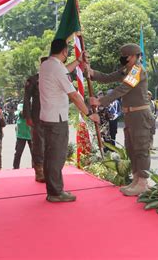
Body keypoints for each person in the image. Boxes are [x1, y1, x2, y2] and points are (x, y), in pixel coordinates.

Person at [88, 43, 154, 196]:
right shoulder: (127, 69)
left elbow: (123, 88)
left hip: (140, 115)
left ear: (132, 57)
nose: (123, 59)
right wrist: (91, 72)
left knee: (141, 148)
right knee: (131, 148)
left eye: (125, 56)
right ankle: (137, 180)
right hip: (130, 115)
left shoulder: (137, 70)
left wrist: (101, 101)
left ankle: (143, 182)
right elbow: (108, 78)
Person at [40, 39, 99, 203]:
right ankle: (55, 192)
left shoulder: (47, 65)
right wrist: (88, 114)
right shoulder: (56, 68)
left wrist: (78, 61)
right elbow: (73, 95)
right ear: (65, 52)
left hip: (48, 117)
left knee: (51, 155)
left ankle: (53, 189)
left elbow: (64, 70)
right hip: (56, 119)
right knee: (56, 156)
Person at [23, 57, 47, 182]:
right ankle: (39, 171)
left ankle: (50, 170)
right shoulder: (33, 79)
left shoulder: (54, 78)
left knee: (51, 144)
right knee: (38, 143)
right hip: (37, 116)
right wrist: (27, 116)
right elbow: (26, 99)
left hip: (52, 115)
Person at [13, 103, 32, 169]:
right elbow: (21, 113)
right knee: (18, 152)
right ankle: (15, 168)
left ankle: (35, 168)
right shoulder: (21, 105)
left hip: (32, 134)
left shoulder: (36, 106)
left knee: (35, 153)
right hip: (21, 134)